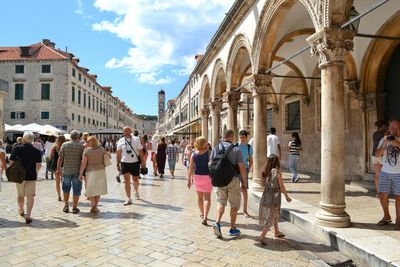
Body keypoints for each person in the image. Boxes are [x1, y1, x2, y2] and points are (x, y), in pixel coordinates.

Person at [212, 130, 248, 238]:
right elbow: (241, 167)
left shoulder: (216, 148)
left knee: (221, 202)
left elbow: (211, 163)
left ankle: (217, 223)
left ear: (224, 137)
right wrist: (244, 181)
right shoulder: (236, 149)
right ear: (231, 137)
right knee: (234, 205)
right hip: (233, 179)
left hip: (220, 180)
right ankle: (232, 228)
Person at [258, 155, 292, 246]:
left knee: (275, 214)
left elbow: (262, 184)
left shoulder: (265, 171)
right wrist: (287, 196)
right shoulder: (277, 172)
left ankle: (276, 232)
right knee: (271, 217)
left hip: (266, 196)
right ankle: (262, 236)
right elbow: (282, 186)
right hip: (274, 197)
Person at [9, 131, 42, 224]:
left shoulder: (16, 148)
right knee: (30, 196)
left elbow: (11, 162)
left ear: (23, 139)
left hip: (19, 176)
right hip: (31, 176)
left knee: (20, 195)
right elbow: (39, 165)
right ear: (32, 140)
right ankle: (28, 215)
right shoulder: (37, 151)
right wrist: (36, 172)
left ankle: (21, 210)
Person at [375, 119, 400, 230]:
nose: (393, 130)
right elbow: (377, 155)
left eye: (396, 128)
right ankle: (386, 216)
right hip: (385, 172)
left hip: (399, 173)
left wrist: (397, 143)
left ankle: (398, 220)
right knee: (382, 195)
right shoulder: (384, 139)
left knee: (399, 198)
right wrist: (385, 143)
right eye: (391, 128)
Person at [56, 130, 85, 214]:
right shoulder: (81, 146)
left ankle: (66, 205)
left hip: (67, 170)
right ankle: (75, 207)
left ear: (70, 137)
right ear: (78, 137)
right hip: (77, 171)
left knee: (66, 188)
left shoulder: (64, 145)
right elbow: (83, 160)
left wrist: (58, 169)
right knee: (77, 189)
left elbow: (60, 158)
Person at [79, 136, 109, 213]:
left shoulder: (86, 150)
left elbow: (83, 163)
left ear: (91, 142)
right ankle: (95, 206)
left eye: (88, 141)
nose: (86, 143)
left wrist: (80, 174)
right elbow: (109, 156)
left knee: (91, 190)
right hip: (101, 171)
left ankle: (93, 206)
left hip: (90, 171)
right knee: (98, 190)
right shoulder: (101, 149)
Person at [116, 126, 145, 205]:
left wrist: (143, 162)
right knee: (127, 181)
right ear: (123, 132)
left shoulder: (136, 139)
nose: (127, 133)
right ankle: (128, 198)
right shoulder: (120, 141)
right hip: (124, 163)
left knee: (135, 179)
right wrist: (117, 164)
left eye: (128, 131)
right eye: (125, 131)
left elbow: (141, 151)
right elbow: (118, 153)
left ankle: (136, 191)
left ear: (130, 131)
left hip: (135, 162)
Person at [188, 136, 212, 226]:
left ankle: (202, 214)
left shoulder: (194, 154)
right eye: (205, 141)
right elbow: (212, 165)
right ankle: (205, 217)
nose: (207, 143)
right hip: (207, 177)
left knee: (199, 197)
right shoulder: (209, 153)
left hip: (197, 177)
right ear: (202, 143)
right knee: (207, 198)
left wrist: (189, 179)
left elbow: (190, 167)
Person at [236, 130, 253, 218]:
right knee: (235, 190)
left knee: (244, 189)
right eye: (240, 137)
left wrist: (248, 169)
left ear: (246, 138)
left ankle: (245, 210)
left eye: (243, 138)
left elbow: (250, 160)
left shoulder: (249, 147)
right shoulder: (236, 146)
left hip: (244, 169)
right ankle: (235, 208)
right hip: (236, 170)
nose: (241, 139)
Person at [372, 120, 388, 195]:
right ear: (383, 126)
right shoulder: (384, 134)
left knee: (377, 175)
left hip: (374, 155)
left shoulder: (374, 134)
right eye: (386, 125)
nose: (387, 127)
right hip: (381, 156)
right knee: (384, 174)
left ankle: (378, 193)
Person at [50, 135, 66, 201]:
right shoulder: (65, 146)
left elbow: (51, 156)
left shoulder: (55, 147)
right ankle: (65, 195)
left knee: (57, 182)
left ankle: (59, 196)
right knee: (64, 182)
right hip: (64, 165)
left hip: (56, 166)